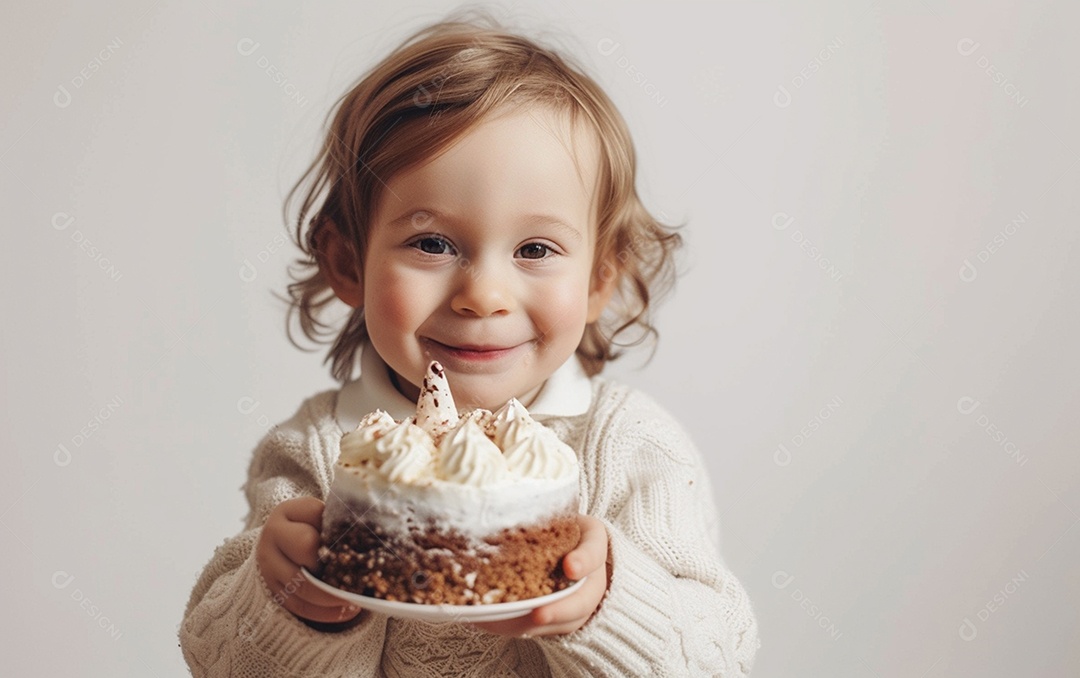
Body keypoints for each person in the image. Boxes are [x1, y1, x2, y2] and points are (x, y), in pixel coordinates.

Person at [179, 12, 759, 677]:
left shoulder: (632, 452)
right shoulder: (315, 455)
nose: (483, 295)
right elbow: (220, 662)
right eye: (432, 243)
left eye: (535, 249)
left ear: (599, 280)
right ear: (347, 263)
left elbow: (715, 659)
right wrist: (287, 603)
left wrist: (611, 606)